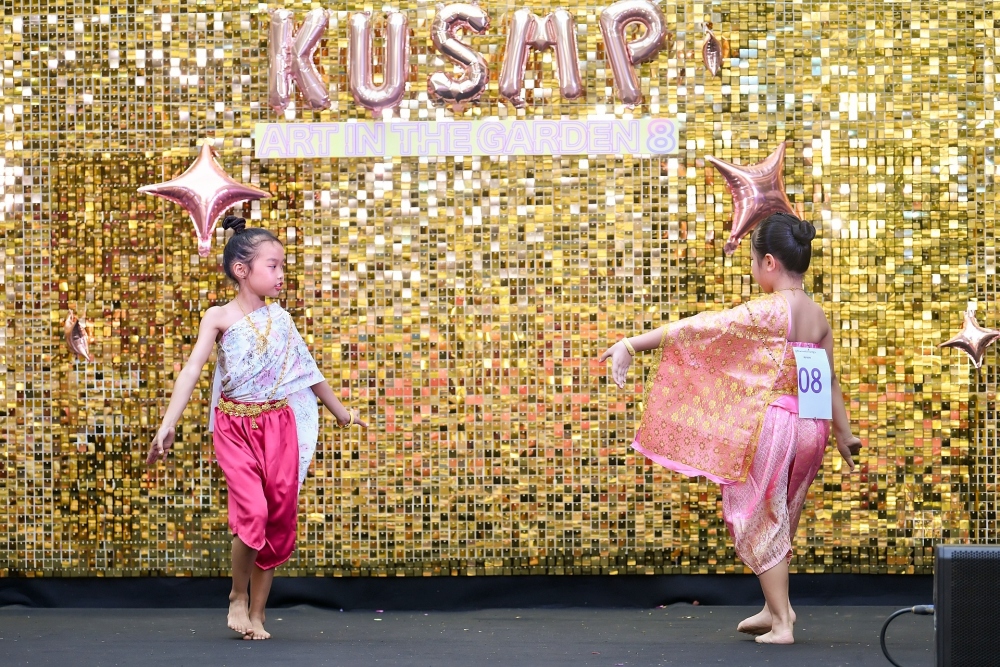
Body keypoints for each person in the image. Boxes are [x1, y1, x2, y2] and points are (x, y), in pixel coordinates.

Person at [599, 213, 861, 645]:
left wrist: (631, 343)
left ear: (770, 262)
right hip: (811, 427)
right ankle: (775, 607)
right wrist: (843, 433)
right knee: (782, 515)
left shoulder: (769, 310)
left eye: (754, 262)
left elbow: (700, 328)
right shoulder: (817, 315)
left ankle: (782, 623)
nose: (754, 269)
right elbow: (828, 379)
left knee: (757, 513)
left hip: (775, 426)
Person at [146, 215, 367, 640]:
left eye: (283, 266)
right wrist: (168, 423)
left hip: (278, 426)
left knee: (278, 518)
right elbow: (192, 370)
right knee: (254, 512)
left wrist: (341, 412)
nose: (281, 274)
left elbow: (308, 371)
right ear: (241, 270)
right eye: (273, 265)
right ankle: (237, 596)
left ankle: (259, 614)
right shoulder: (218, 317)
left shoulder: (281, 320)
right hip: (235, 426)